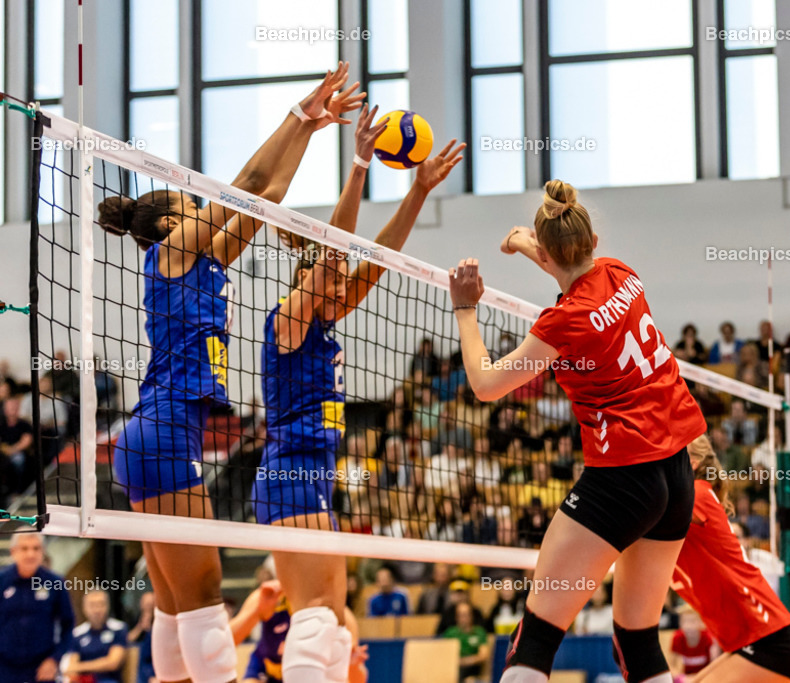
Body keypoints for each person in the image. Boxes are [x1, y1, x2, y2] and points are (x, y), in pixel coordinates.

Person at [103, 65, 363, 683]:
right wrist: (298, 116)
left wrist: (312, 131)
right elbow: (247, 181)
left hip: (156, 435)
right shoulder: (173, 253)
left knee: (172, 607)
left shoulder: (207, 261)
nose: (202, 205)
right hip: (165, 433)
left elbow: (265, 195)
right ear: (171, 224)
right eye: (192, 204)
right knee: (202, 602)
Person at [452, 180, 707, 683]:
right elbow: (578, 270)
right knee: (637, 643)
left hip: (622, 479)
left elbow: (484, 383)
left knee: (536, 638)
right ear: (593, 242)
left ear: (550, 252)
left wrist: (465, 309)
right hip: (676, 475)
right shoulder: (623, 274)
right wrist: (527, 245)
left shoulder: (563, 323)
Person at [252, 100, 463, 680]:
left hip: (314, 472)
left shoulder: (326, 315)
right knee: (318, 620)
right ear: (311, 276)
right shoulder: (289, 319)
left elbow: (378, 257)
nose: (344, 282)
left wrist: (418, 190)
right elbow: (336, 253)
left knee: (337, 623)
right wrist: (359, 164)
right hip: (291, 474)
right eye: (333, 274)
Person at [671, 435, 790, 682]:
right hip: (747, 643)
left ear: (691, 462)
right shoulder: (672, 526)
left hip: (770, 640)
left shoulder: (696, 494)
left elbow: (640, 513)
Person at [233, 580, 369, 683]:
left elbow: (358, 679)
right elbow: (228, 641)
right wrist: (255, 612)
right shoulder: (267, 595)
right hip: (267, 673)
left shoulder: (338, 612)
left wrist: (352, 665)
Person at [0, 533, 76, 683]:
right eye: (25, 548)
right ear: (13, 552)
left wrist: (54, 659)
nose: (31, 554)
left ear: (43, 552)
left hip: (42, 668)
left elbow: (68, 624)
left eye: (36, 548)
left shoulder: (55, 582)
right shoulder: (2, 581)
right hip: (5, 667)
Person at [64, 590, 128, 683]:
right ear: (84, 608)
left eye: (101, 604)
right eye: (92, 605)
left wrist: (80, 667)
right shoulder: (77, 633)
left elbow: (113, 663)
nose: (97, 610)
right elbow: (72, 665)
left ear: (108, 606)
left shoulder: (118, 629)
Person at [442, 603, 490, 683]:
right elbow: (445, 655)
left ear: (471, 616)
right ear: (456, 617)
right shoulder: (450, 632)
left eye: (465, 614)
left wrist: (466, 661)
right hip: (455, 669)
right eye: (460, 615)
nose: (463, 618)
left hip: (474, 668)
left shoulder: (479, 632)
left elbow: (483, 655)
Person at [668, 607, 717, 680]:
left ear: (701, 622)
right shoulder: (677, 638)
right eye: (685, 621)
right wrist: (681, 677)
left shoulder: (708, 637)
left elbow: (715, 665)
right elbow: (671, 665)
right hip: (686, 679)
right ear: (680, 623)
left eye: (693, 621)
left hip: (705, 677)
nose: (689, 626)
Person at [127, 592, 156, 683]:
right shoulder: (134, 618)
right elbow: (129, 638)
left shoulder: (158, 619)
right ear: (141, 604)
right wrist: (141, 626)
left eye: (150, 604)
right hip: (141, 654)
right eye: (146, 603)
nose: (148, 606)